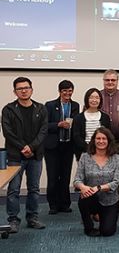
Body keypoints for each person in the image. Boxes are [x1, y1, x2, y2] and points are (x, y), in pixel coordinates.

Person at [1, 77, 48, 233]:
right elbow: (8, 132)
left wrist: (32, 147)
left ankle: (32, 217)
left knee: (34, 189)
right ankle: (13, 220)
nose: (24, 90)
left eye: (26, 87)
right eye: (20, 88)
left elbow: (43, 131)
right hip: (16, 156)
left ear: (31, 90)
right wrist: (23, 147)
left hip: (35, 155)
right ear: (15, 92)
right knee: (13, 190)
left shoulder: (41, 109)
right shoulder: (8, 110)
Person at [73, 127, 119, 237]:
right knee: (85, 196)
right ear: (93, 140)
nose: (101, 141)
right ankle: (88, 226)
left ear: (109, 141)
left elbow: (115, 183)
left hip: (110, 200)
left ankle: (98, 215)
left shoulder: (117, 158)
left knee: (107, 232)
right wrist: (82, 187)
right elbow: (77, 180)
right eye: (98, 138)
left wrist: (99, 188)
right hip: (91, 197)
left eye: (104, 138)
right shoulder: (85, 157)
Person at [44, 80, 80, 215]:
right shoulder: (50, 105)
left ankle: (65, 204)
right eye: (65, 90)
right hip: (52, 146)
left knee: (65, 176)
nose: (67, 93)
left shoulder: (75, 105)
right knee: (53, 177)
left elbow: (76, 122)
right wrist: (58, 125)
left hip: (68, 145)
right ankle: (53, 205)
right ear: (59, 91)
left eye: (70, 90)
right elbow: (44, 125)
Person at [100, 69, 119, 212]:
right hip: (102, 143)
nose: (110, 82)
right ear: (104, 81)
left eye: (113, 80)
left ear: (117, 81)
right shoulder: (97, 96)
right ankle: (104, 200)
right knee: (104, 171)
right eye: (107, 80)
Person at [73, 88, 111, 159]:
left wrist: (99, 149)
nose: (94, 100)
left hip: (102, 153)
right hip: (84, 153)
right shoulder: (78, 118)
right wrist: (89, 148)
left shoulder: (105, 117)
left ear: (100, 100)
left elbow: (108, 136)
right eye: (91, 97)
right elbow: (76, 137)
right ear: (87, 99)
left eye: (97, 98)